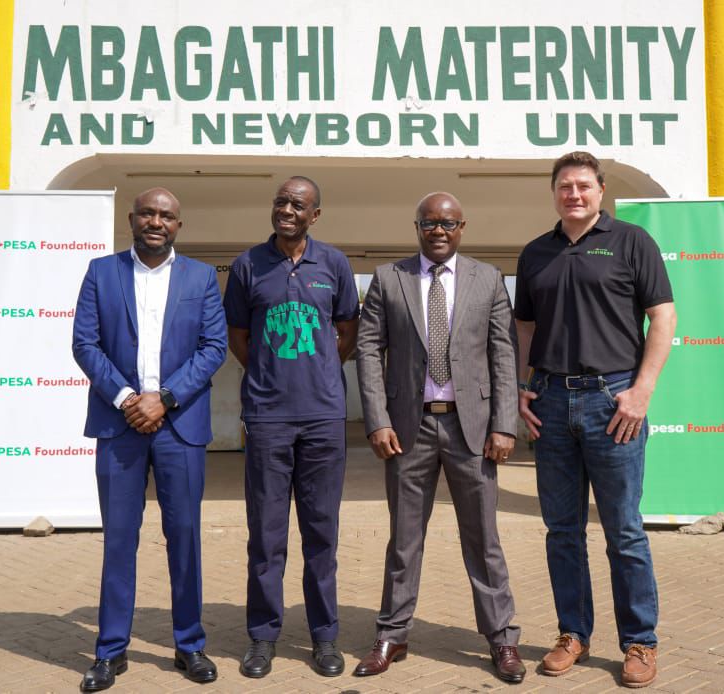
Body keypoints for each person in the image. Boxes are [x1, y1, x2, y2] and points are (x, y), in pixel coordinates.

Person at [514, 151, 676, 688]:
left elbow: (663, 316)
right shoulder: (536, 253)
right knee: (562, 531)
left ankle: (640, 642)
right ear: (554, 192)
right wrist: (523, 385)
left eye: (584, 185)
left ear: (601, 191)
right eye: (565, 186)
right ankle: (573, 634)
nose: (574, 194)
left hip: (613, 403)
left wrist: (642, 391)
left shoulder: (631, 242)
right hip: (551, 402)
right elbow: (525, 328)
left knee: (624, 531)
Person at [354, 192, 526, 683]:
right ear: (417, 227)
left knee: (484, 539)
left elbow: (504, 355)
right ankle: (392, 633)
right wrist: (377, 419)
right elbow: (368, 350)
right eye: (429, 222)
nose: (439, 230)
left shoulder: (487, 279)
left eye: (448, 223)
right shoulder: (389, 278)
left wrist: (504, 424)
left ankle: (502, 638)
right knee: (404, 540)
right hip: (408, 430)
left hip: (472, 430)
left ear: (461, 227)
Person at [72, 187, 227, 691]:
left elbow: (214, 347)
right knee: (120, 539)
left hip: (179, 427)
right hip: (120, 427)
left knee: (184, 537)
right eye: (147, 213)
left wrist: (166, 398)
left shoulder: (201, 277)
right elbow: (85, 344)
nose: (156, 222)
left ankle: (190, 645)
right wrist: (127, 399)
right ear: (132, 219)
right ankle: (110, 651)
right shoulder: (102, 272)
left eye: (166, 215)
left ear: (178, 225)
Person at [222, 176, 359, 679]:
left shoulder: (335, 264)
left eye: (298, 205)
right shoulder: (247, 265)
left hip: (323, 417)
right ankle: (262, 636)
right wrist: (268, 374)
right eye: (281, 201)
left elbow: (347, 330)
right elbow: (238, 336)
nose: (287, 210)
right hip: (267, 417)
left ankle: (324, 636)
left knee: (321, 533)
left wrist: (319, 372)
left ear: (314, 215)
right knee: (266, 534)